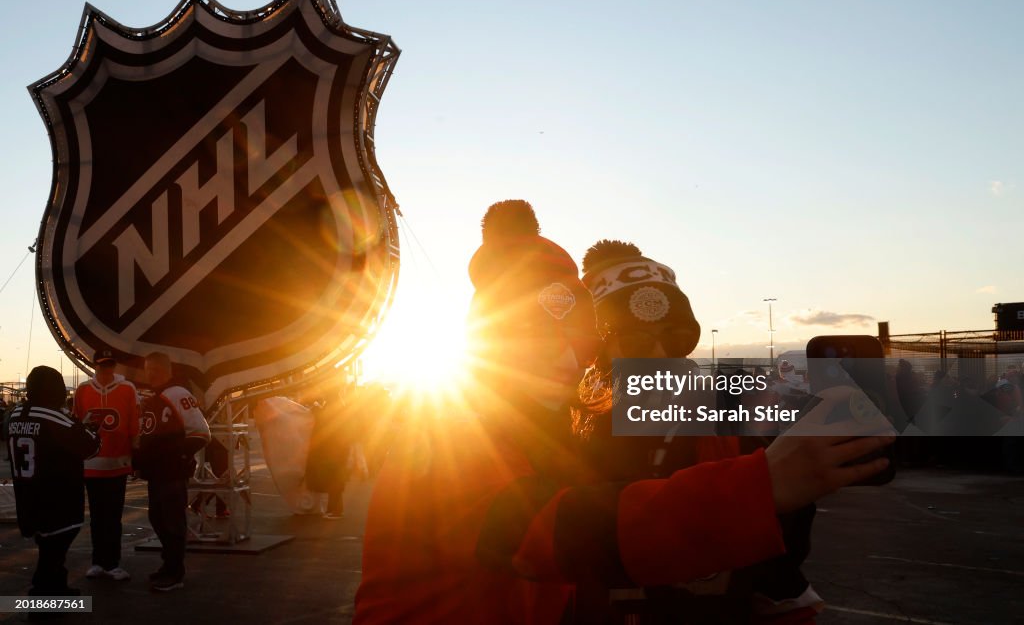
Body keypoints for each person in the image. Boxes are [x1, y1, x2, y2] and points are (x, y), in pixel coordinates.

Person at [354, 200, 894, 624]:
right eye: (629, 340)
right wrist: (759, 487)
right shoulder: (462, 432)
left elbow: (778, 584)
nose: (656, 359)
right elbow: (548, 533)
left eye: (673, 339)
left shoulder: (720, 427)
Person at [576, 239, 821, 624]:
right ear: (601, 348)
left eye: (675, 337)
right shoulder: (566, 432)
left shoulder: (727, 420)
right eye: (638, 340)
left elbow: (779, 565)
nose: (660, 353)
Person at [5, 366, 100, 604]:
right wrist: (90, 430)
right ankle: (43, 601)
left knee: (49, 546)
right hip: (56, 495)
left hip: (28, 494)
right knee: (54, 549)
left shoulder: (16, 415)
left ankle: (58, 589)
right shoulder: (53, 416)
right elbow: (89, 447)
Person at [134, 352, 211, 592]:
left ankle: (175, 573)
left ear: (167, 370)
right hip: (157, 473)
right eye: (148, 370)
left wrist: (178, 456)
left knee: (173, 522)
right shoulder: (154, 397)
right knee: (158, 519)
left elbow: (201, 432)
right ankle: (168, 566)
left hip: (172, 473)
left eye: (155, 370)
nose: (151, 374)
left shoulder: (177, 393)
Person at [72, 348, 139, 581]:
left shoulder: (127, 389)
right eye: (102, 366)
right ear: (95, 366)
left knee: (113, 516)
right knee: (98, 516)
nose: (106, 370)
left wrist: (136, 457)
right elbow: (77, 426)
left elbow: (134, 425)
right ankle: (98, 562)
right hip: (91, 465)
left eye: (110, 365)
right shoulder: (82, 390)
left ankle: (112, 563)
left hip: (118, 463)